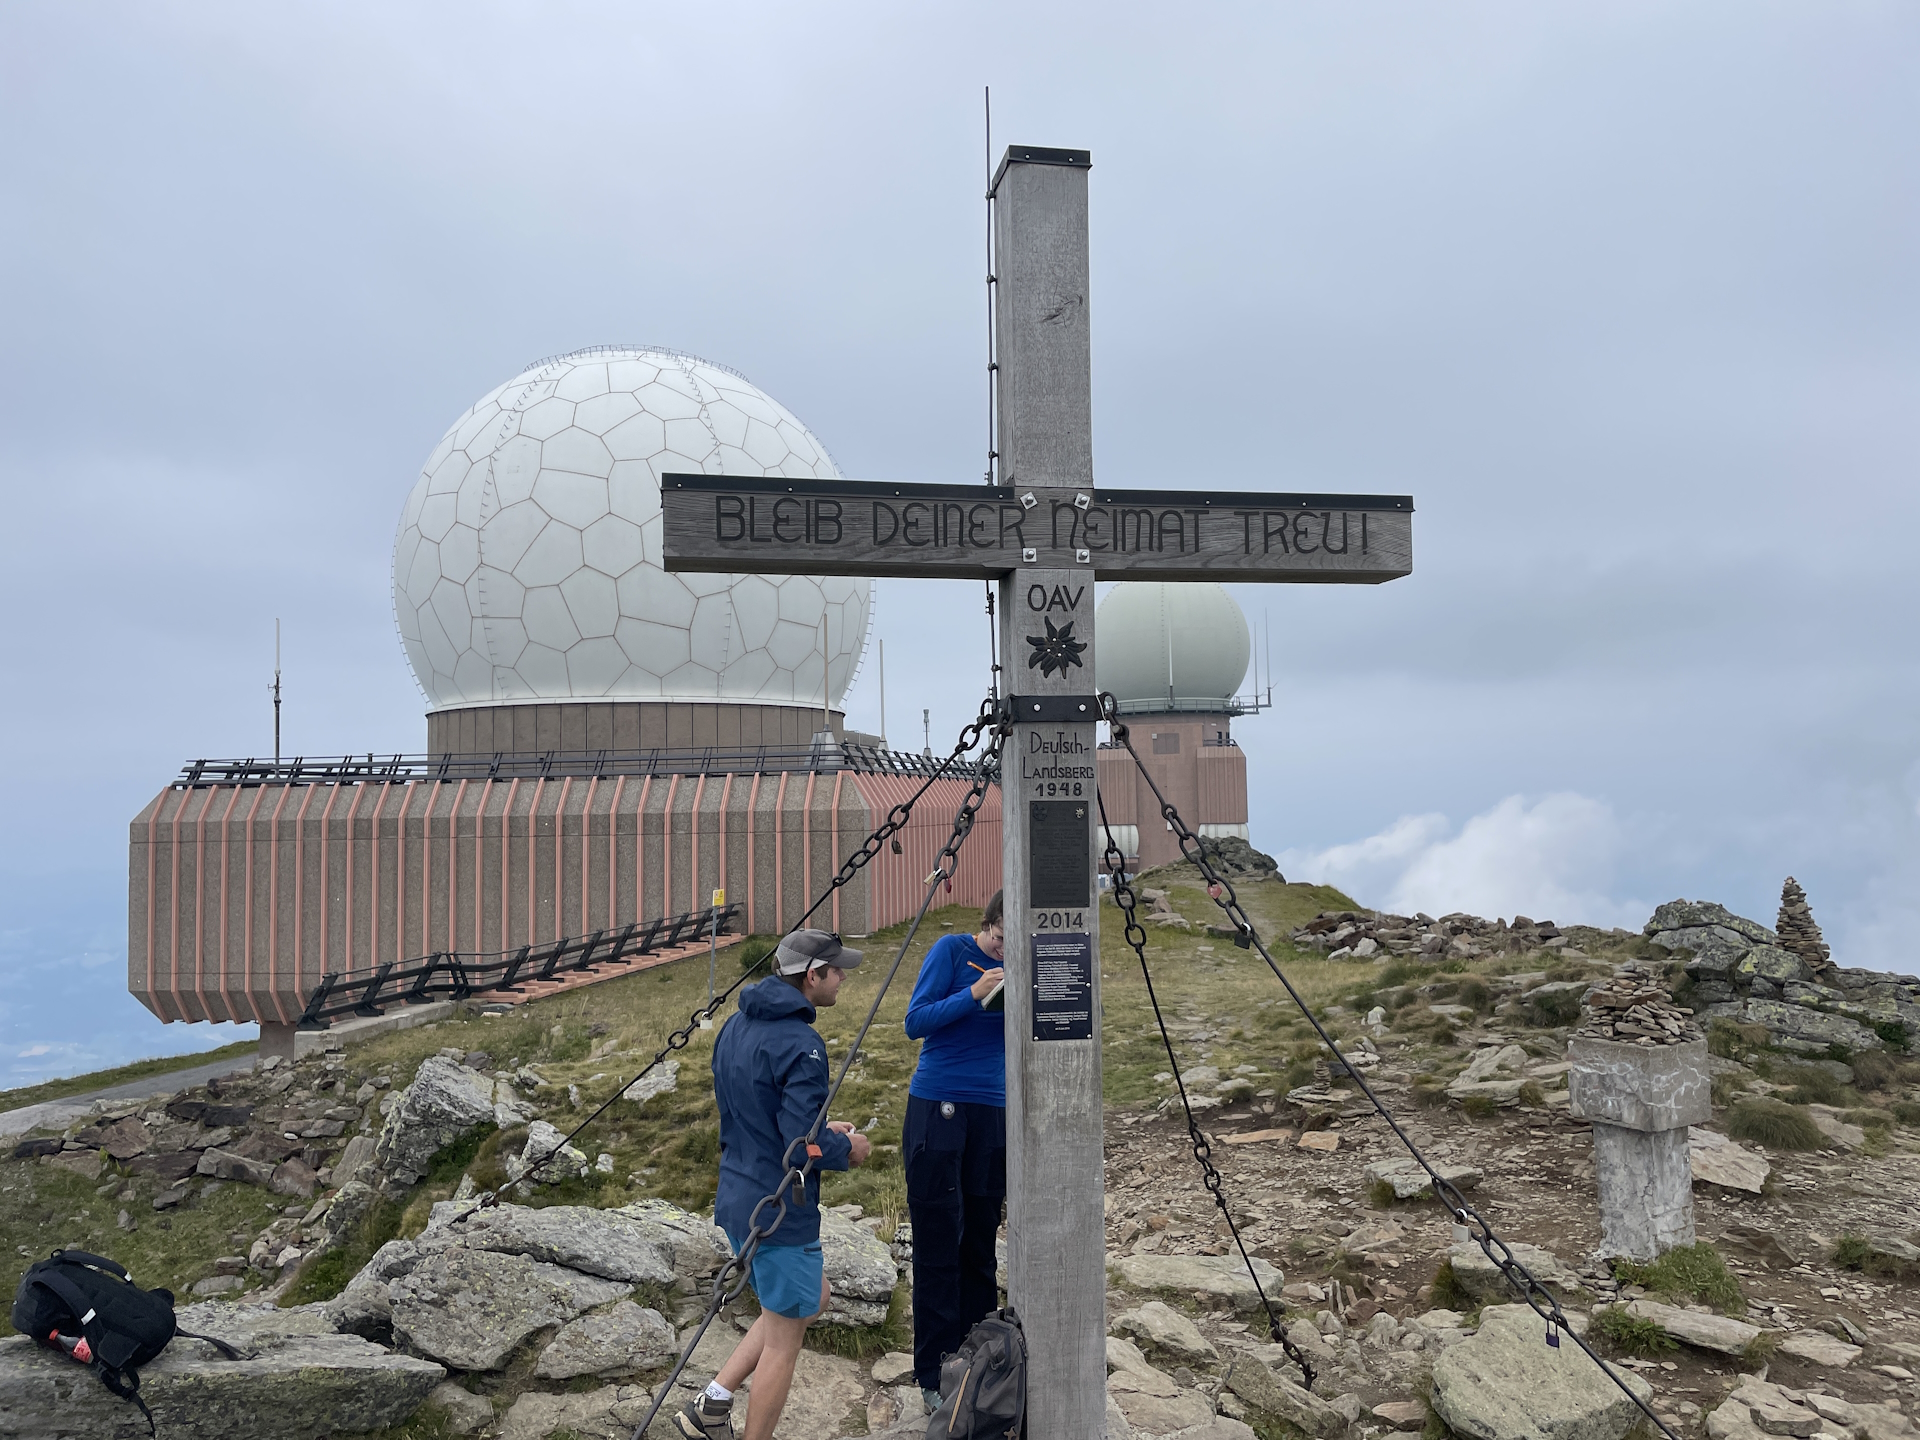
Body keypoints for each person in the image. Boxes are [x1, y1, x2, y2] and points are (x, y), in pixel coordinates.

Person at [677, 929, 872, 1440]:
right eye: (836, 970)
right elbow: (797, 1149)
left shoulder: (736, 1025)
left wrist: (821, 1131)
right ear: (812, 976)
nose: (843, 977)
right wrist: (845, 1150)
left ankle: (712, 1403)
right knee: (785, 1342)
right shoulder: (802, 1043)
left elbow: (759, 1114)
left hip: (737, 1196)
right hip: (780, 1210)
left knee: (816, 1296)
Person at [901, 890, 1006, 1411]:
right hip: (938, 1101)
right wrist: (974, 993)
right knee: (940, 1239)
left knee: (981, 1240)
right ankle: (933, 1374)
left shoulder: (1032, 963)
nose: (1007, 951)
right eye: (1001, 939)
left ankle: (982, 1362)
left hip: (994, 1109)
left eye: (1016, 943)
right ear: (987, 924)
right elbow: (914, 1021)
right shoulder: (950, 951)